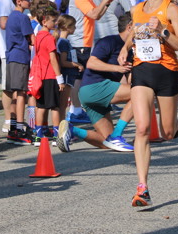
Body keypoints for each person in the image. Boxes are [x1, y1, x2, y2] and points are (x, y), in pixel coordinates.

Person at [119, 0, 178, 209]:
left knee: (167, 133)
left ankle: (175, 124)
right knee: (142, 129)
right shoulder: (136, 9)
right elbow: (134, 32)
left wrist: (163, 31)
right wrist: (124, 48)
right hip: (142, 71)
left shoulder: (171, 8)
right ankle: (142, 187)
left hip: (167, 72)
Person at [57, 13, 136, 153]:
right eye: (138, 26)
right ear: (129, 27)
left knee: (107, 143)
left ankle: (72, 130)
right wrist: (117, 68)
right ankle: (117, 135)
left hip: (94, 94)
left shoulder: (129, 50)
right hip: (94, 87)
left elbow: (130, 79)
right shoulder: (109, 41)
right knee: (140, 93)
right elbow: (91, 63)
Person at [69, 0, 115, 121]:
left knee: (81, 77)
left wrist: (107, 3)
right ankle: (75, 111)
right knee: (78, 78)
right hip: (78, 42)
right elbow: (94, 14)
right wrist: (104, 0)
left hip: (84, 42)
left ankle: (77, 109)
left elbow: (97, 15)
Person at [30, 5, 63, 144]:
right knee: (55, 107)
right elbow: (53, 58)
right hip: (50, 75)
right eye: (53, 21)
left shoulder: (38, 36)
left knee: (41, 106)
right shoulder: (49, 38)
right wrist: (59, 77)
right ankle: (56, 136)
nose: (55, 23)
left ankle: (38, 135)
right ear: (44, 22)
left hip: (40, 76)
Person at [4, 0, 34, 144]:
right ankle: (21, 127)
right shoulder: (23, 18)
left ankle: (13, 127)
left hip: (12, 56)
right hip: (21, 56)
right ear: (19, 2)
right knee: (22, 93)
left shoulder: (11, 16)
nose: (30, 1)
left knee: (15, 93)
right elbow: (32, 39)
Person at [0, 0, 23, 134]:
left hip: (17, 50)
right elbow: (3, 24)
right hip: (7, 50)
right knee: (7, 87)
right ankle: (7, 120)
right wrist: (21, 18)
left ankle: (15, 119)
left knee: (16, 87)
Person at [55, 14, 81, 122]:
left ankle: (62, 123)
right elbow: (63, 62)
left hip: (69, 76)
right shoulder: (63, 42)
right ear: (67, 27)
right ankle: (61, 124)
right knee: (63, 103)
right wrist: (77, 65)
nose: (75, 28)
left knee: (64, 103)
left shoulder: (65, 41)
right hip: (66, 75)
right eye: (73, 26)